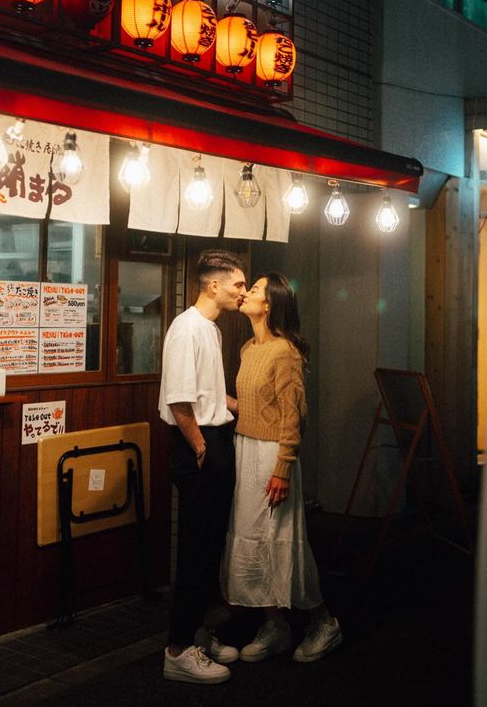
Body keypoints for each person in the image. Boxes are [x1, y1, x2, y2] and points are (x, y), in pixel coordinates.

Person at [221, 272, 343, 663]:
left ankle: (324, 622)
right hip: (247, 449)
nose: (246, 294)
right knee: (253, 540)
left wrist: (283, 468)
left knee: (283, 543)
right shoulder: (248, 348)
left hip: (273, 455)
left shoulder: (284, 351)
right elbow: (253, 407)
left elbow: (294, 417)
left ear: (269, 304)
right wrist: (212, 395)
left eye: (253, 289)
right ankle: (276, 625)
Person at [159, 249, 247, 685]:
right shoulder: (186, 328)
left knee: (210, 545)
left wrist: (244, 406)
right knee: (195, 549)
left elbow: (212, 392)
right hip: (198, 443)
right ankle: (177, 651)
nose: (242, 292)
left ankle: (197, 632)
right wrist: (198, 446)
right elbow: (179, 399)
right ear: (214, 285)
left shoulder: (209, 328)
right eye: (237, 285)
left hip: (213, 438)